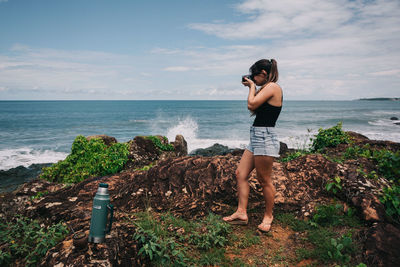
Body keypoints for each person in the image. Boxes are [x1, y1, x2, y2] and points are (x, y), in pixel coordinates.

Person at [223, 59, 282, 232]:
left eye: (255, 76)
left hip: (265, 137)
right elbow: (255, 109)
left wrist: (251, 88)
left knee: (264, 180)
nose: (253, 80)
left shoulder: (273, 87)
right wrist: (254, 88)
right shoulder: (266, 88)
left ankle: (268, 216)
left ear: (263, 73)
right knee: (240, 174)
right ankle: (241, 213)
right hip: (256, 136)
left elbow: (251, 104)